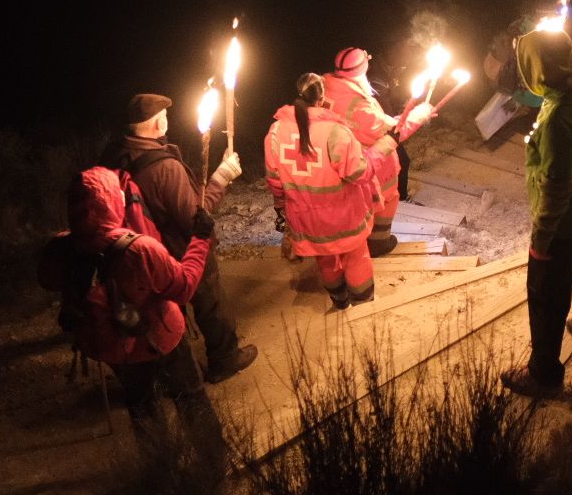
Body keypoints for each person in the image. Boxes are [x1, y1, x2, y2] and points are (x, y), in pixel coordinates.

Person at [64, 137, 241, 458]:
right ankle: (214, 460)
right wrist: (200, 239)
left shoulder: (65, 247)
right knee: (188, 394)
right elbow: (184, 285)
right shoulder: (139, 249)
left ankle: (161, 468)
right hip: (158, 337)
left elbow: (49, 278)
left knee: (141, 405)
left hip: (112, 347)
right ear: (110, 202)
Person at [101, 94, 257, 384]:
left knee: (169, 308)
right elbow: (195, 218)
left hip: (146, 251)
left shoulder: (115, 155)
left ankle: (174, 366)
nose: (167, 120)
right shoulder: (164, 168)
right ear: (156, 123)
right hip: (183, 249)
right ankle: (225, 359)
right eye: (164, 116)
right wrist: (221, 179)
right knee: (210, 300)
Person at [501, 26, 572, 398]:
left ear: (537, 68)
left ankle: (544, 375)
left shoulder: (555, 123)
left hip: (563, 222)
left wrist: (541, 237)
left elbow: (556, 186)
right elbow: (560, 98)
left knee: (547, 296)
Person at [264, 74, 379, 308]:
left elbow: (274, 180)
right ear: (322, 97)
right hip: (344, 216)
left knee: (325, 260)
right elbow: (358, 173)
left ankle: (339, 301)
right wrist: (375, 156)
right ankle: (364, 305)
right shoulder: (335, 131)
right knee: (356, 258)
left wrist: (281, 206)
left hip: (306, 220)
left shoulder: (275, 132)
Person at [325, 47, 433, 255]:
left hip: (333, 159)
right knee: (385, 199)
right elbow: (394, 131)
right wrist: (420, 114)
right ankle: (377, 243)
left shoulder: (325, 85)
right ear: (363, 67)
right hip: (366, 161)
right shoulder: (358, 104)